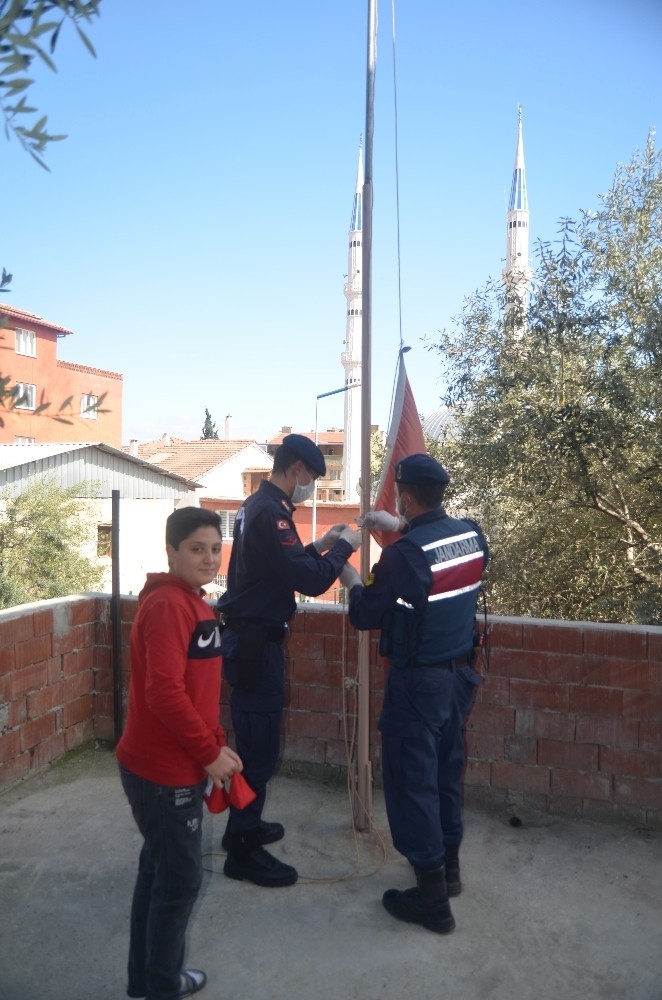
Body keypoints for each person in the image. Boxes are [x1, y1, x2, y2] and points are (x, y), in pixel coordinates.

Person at [341, 454, 488, 934]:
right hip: (458, 678)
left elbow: (366, 614)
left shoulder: (404, 555)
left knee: (412, 781)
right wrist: (400, 526)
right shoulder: (472, 536)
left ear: (405, 496)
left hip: (418, 685)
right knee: (445, 774)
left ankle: (432, 901)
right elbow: (436, 563)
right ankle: (449, 871)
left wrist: (350, 580)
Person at [217, 433, 362, 888]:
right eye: (312, 477)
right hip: (256, 645)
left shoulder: (256, 506)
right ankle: (242, 850)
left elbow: (283, 566)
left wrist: (322, 543)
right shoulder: (272, 514)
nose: (312, 486)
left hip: (250, 639)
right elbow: (310, 581)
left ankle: (242, 826)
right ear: (297, 469)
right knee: (259, 750)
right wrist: (345, 547)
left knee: (255, 742)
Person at [116, 507, 243, 1000]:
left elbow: (194, 691)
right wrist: (209, 753)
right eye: (196, 549)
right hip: (162, 772)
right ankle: (161, 987)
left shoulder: (189, 601)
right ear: (170, 552)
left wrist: (214, 743)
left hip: (174, 763)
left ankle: (149, 981)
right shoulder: (169, 605)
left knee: (160, 872)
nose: (209, 558)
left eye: (214, 548)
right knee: (179, 883)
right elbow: (164, 694)